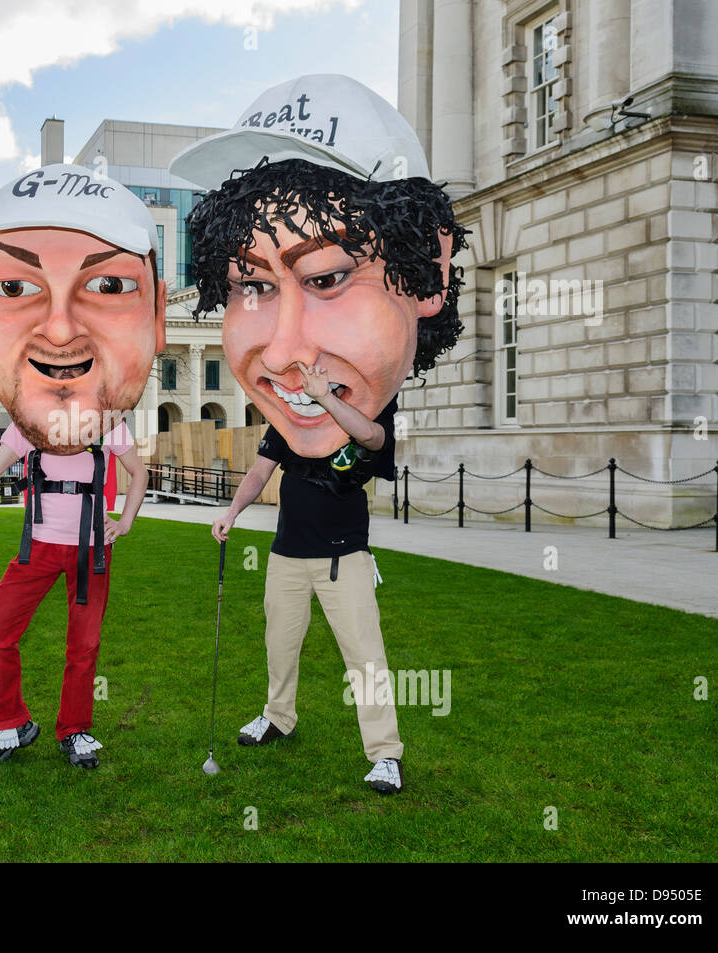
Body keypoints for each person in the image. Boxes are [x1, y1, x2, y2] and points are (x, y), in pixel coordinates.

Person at [175, 74, 468, 795]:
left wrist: (322, 398)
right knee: (280, 645)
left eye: (330, 276)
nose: (281, 351)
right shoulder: (285, 422)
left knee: (364, 655)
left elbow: (369, 441)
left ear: (427, 274)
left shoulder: (369, 403)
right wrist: (233, 512)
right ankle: (278, 715)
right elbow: (261, 465)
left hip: (344, 556)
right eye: (255, 284)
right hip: (286, 554)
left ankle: (385, 751)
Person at [0, 163, 165, 770]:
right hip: (36, 550)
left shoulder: (109, 425)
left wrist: (125, 522)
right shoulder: (26, 429)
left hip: (88, 550)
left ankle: (74, 730)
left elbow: (140, 476)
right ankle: (10, 725)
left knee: (84, 647)